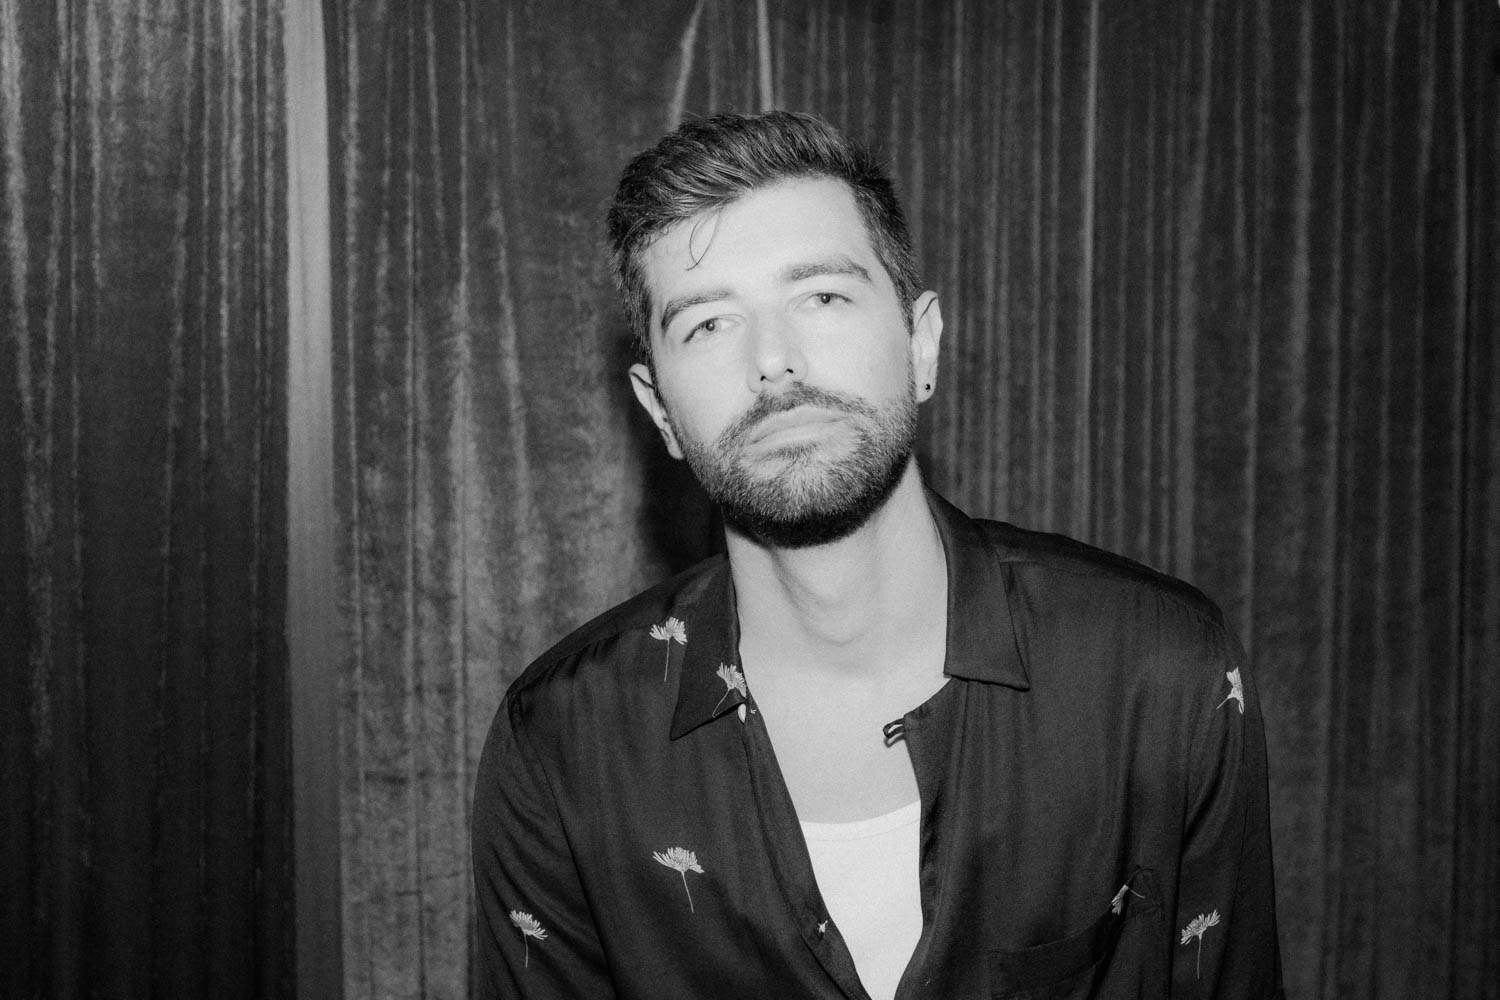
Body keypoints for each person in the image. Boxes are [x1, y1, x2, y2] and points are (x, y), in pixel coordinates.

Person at [471, 110, 1283, 999]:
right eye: (707, 324)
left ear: (921, 342)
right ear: (659, 410)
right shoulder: (562, 745)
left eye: (822, 297)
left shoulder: (1158, 675)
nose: (774, 361)